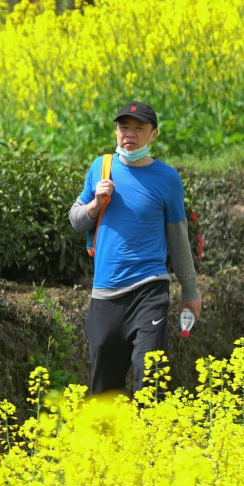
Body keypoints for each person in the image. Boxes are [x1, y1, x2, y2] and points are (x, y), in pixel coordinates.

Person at [69, 102, 200, 395]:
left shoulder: (167, 179)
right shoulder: (100, 168)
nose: (130, 134)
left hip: (149, 290)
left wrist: (190, 292)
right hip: (105, 293)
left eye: (138, 128)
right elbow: (76, 220)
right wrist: (95, 205)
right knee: (104, 391)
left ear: (153, 135)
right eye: (124, 127)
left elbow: (178, 240)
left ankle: (151, 439)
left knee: (151, 376)